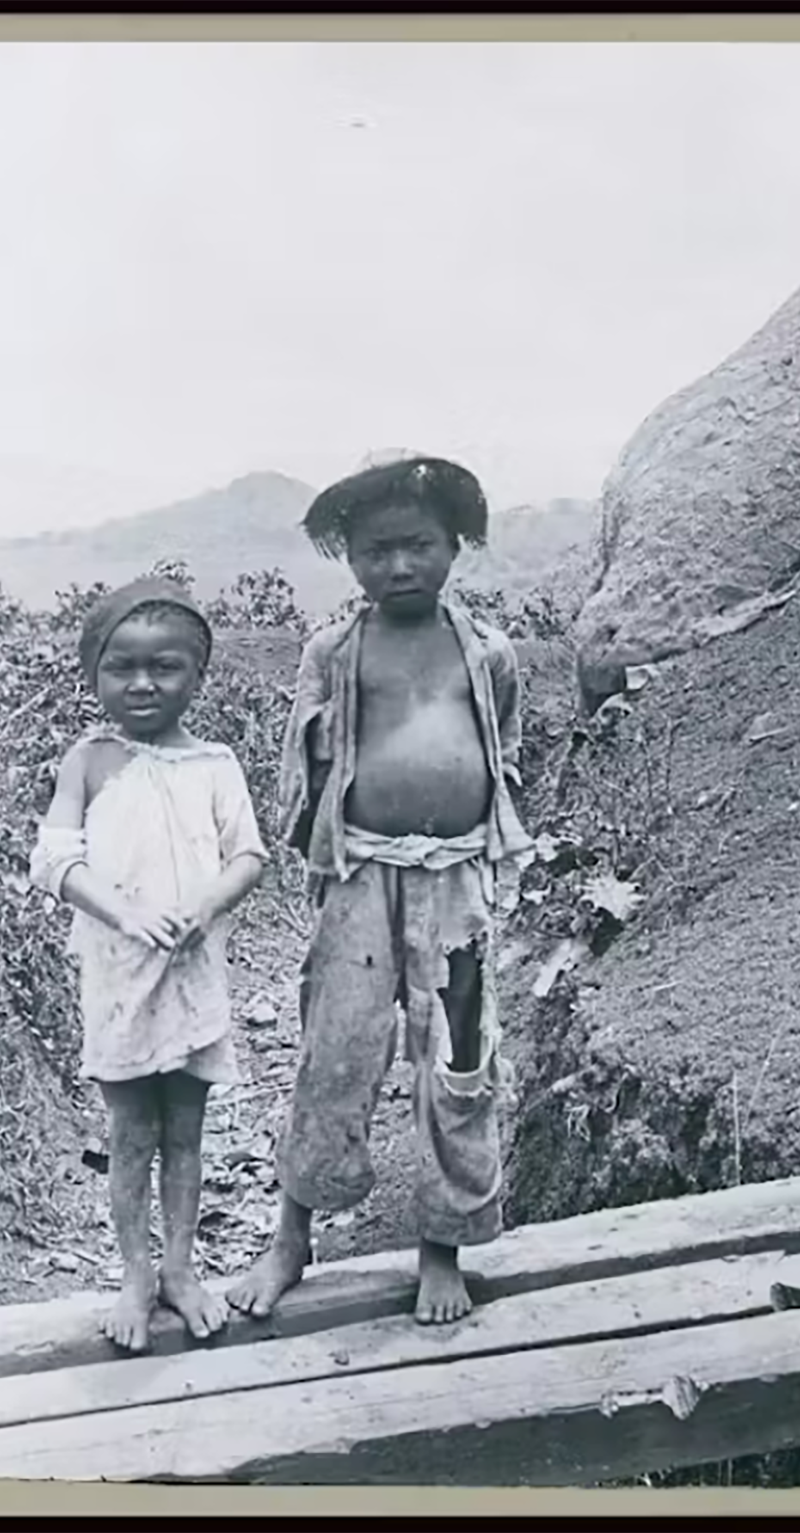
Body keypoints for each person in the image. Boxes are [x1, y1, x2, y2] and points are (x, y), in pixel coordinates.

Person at [229, 455, 535, 1326]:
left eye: (419, 546)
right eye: (376, 551)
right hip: (360, 878)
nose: (399, 567)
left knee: (458, 1060)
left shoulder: (488, 652)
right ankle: (292, 1235)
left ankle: (441, 1245)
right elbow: (307, 765)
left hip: (457, 890)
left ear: (456, 547)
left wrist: (474, 833)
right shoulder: (332, 651)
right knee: (336, 1051)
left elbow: (504, 749)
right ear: (351, 558)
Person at [29, 576, 269, 1352]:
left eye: (164, 666)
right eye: (120, 666)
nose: (141, 683)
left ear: (197, 675)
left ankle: (179, 1268)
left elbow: (249, 854)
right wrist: (124, 911)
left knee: (188, 1130)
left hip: (193, 972)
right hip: (118, 974)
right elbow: (53, 859)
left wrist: (205, 906)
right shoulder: (90, 759)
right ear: (94, 672)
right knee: (132, 1129)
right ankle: (134, 1274)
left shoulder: (215, 763)